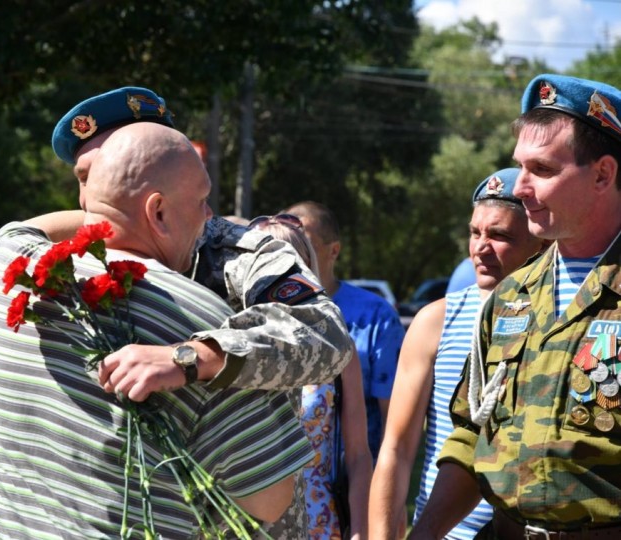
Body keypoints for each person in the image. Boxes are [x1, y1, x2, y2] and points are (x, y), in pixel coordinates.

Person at [0, 122, 315, 538]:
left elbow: (30, 227)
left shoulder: (12, 267)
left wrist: (107, 208)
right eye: (202, 201)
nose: (210, 218)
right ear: (158, 212)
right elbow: (270, 499)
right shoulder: (204, 326)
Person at [51, 87, 354, 538]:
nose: (90, 196)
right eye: (84, 176)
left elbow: (327, 335)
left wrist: (196, 357)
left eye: (112, 168)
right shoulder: (58, 263)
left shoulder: (237, 253)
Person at [410, 74, 621, 540]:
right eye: (520, 167)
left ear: (603, 174)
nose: (520, 187)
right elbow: (470, 436)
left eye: (542, 170)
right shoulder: (510, 298)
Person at [368, 168, 547, 540]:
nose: (481, 248)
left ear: (540, 242)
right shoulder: (436, 320)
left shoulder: (560, 319)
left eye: (499, 235)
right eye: (475, 232)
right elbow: (397, 450)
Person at [249, 214, 373, 539]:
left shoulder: (336, 349)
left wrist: (360, 529)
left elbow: (358, 455)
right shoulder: (226, 346)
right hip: (240, 521)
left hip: (317, 522)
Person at [283, 201, 405, 462]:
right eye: (287, 246)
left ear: (334, 251)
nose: (295, 256)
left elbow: (393, 418)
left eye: (307, 247)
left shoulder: (375, 316)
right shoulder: (268, 312)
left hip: (349, 481)